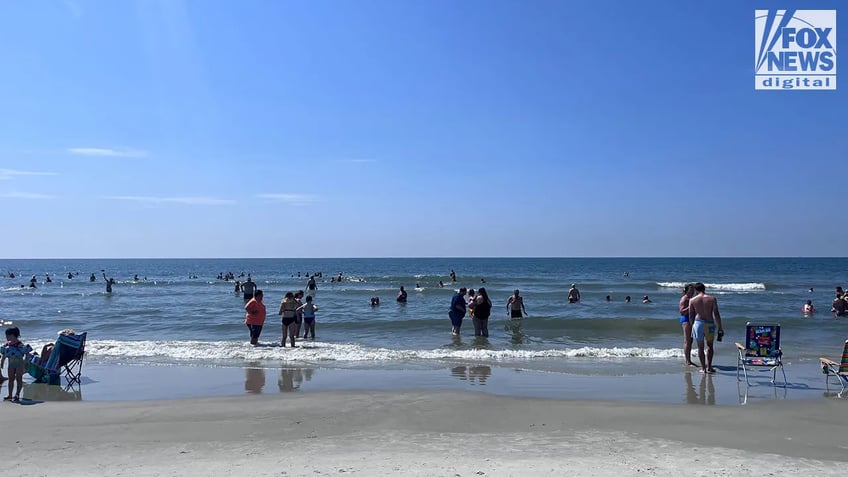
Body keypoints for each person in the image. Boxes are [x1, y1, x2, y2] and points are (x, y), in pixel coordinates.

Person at [689, 282, 723, 374]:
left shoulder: (692, 300)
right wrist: (720, 327)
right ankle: (710, 367)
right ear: (704, 289)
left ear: (696, 290)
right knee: (710, 346)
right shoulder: (712, 299)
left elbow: (691, 315)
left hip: (698, 323)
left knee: (700, 347)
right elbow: (716, 313)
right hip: (709, 323)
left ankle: (703, 368)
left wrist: (692, 326)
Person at [0, 327, 33, 402]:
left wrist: (27, 362)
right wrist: (2, 362)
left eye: (8, 335)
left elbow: (27, 353)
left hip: (19, 364)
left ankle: (17, 394)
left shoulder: (19, 345)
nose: (6, 337)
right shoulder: (7, 345)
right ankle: (10, 395)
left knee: (19, 379)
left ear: (13, 335)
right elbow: (4, 354)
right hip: (11, 364)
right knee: (10, 380)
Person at [679, 284, 696, 367]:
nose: (693, 292)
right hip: (686, 320)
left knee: (690, 341)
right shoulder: (684, 298)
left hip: (692, 320)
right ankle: (687, 361)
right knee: (687, 341)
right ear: (687, 291)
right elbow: (682, 312)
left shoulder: (692, 298)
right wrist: (690, 306)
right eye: (691, 290)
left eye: (693, 290)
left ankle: (689, 359)